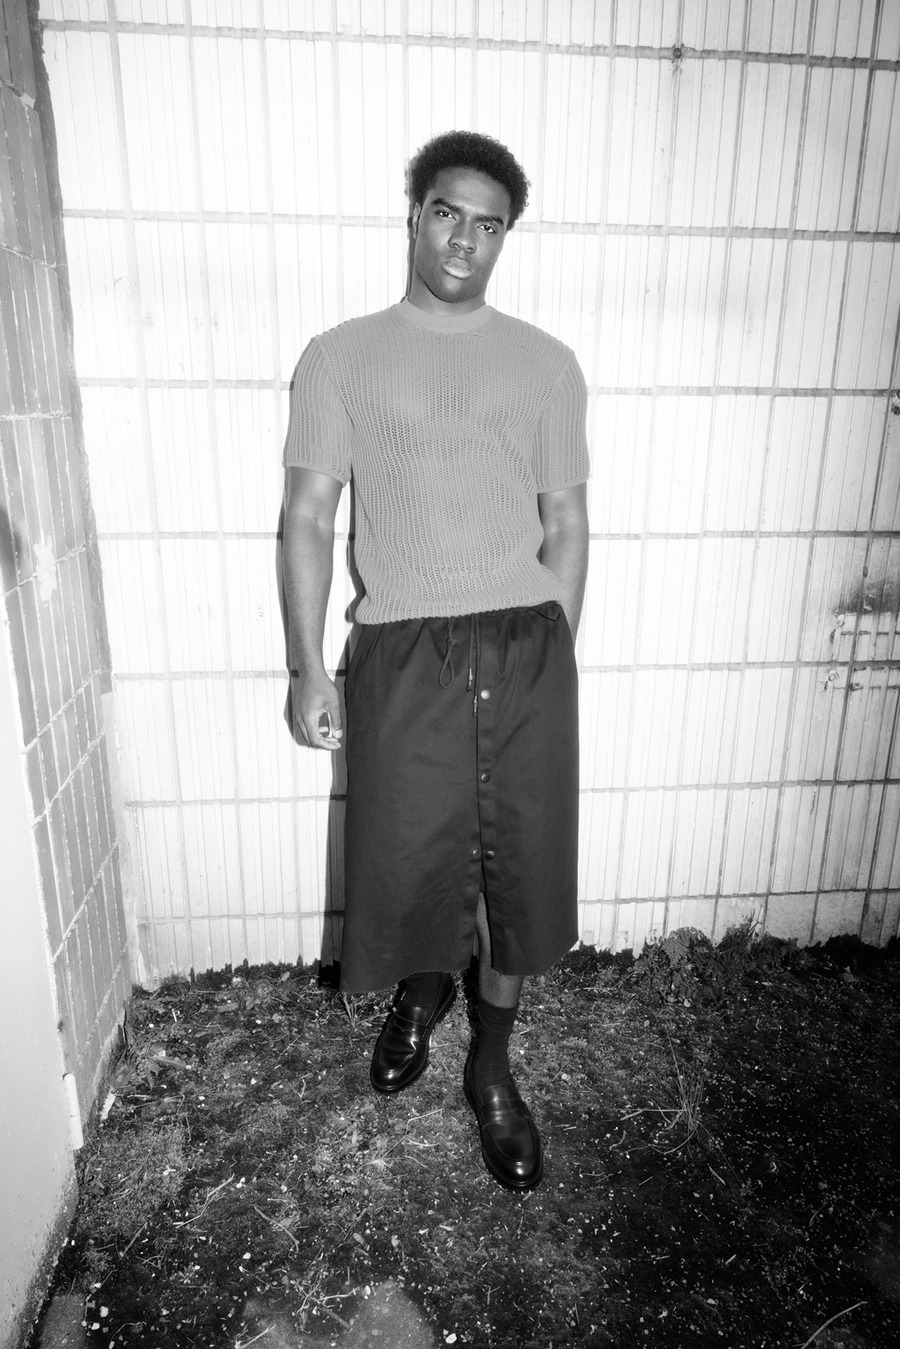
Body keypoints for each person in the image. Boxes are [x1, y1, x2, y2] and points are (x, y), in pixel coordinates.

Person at [282, 130, 589, 1192]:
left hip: (524, 643)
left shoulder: (546, 365)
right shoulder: (340, 357)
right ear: (415, 215)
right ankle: (424, 991)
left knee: (515, 869)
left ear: (506, 237)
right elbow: (309, 516)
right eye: (447, 213)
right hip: (403, 650)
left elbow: (568, 519)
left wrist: (557, 645)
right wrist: (308, 665)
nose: (464, 239)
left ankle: (492, 1067)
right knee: (413, 854)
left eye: (488, 224)